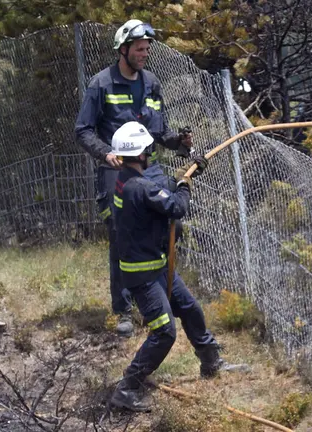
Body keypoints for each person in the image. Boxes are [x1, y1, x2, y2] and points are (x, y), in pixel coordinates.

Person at [108, 122, 242, 412]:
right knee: (164, 333)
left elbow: (157, 192)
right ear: (143, 152)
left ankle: (211, 361)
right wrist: (184, 185)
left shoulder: (126, 180)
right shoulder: (138, 187)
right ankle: (127, 387)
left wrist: (185, 174)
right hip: (144, 277)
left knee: (190, 308)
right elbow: (176, 206)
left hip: (155, 268)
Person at [74, 19, 193, 337]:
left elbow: (160, 131)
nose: (145, 54)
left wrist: (179, 144)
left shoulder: (152, 83)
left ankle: (159, 299)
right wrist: (105, 154)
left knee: (169, 228)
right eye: (140, 49)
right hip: (117, 172)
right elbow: (82, 130)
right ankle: (124, 310)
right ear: (123, 50)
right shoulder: (101, 84)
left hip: (152, 169)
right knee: (122, 237)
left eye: (147, 49)